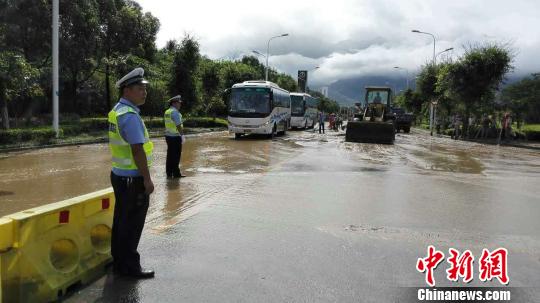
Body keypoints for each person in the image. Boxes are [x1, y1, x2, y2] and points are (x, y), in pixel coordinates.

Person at [108, 67, 155, 279]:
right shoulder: (129, 116)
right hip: (132, 179)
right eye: (139, 88)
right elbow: (137, 150)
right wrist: (147, 179)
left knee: (121, 221)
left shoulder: (117, 109)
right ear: (127, 90)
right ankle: (130, 267)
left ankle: (119, 262)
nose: (144, 92)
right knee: (132, 224)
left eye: (144, 88)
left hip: (120, 175)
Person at [164, 95, 185, 179]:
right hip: (175, 137)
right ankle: (176, 174)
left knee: (170, 155)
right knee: (176, 156)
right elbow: (178, 125)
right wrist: (182, 135)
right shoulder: (175, 112)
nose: (180, 105)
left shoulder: (167, 111)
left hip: (168, 136)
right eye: (179, 103)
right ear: (174, 103)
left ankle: (169, 173)